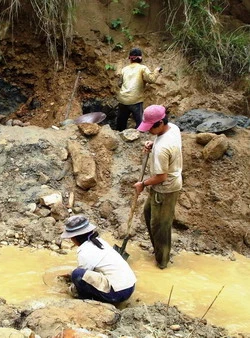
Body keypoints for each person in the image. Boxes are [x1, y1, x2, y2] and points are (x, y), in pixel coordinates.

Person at [134, 105, 182, 269]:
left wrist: (143, 184)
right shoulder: (172, 129)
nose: (148, 132)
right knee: (148, 214)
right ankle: (159, 250)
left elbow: (162, 177)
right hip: (165, 185)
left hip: (165, 189)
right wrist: (152, 143)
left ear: (160, 123)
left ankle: (162, 262)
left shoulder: (162, 149)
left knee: (160, 226)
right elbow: (164, 145)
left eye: (151, 128)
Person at [60, 215, 136, 304]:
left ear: (74, 238)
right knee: (76, 273)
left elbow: (83, 277)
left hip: (118, 294)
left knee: (77, 274)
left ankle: (86, 299)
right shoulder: (99, 241)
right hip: (130, 286)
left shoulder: (84, 252)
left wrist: (70, 289)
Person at [116, 48, 162, 131]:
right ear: (140, 58)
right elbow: (151, 80)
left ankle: (119, 137)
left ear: (130, 58)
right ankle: (139, 136)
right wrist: (156, 71)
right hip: (135, 100)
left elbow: (119, 84)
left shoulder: (124, 69)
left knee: (120, 123)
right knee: (140, 123)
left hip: (123, 99)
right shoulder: (142, 68)